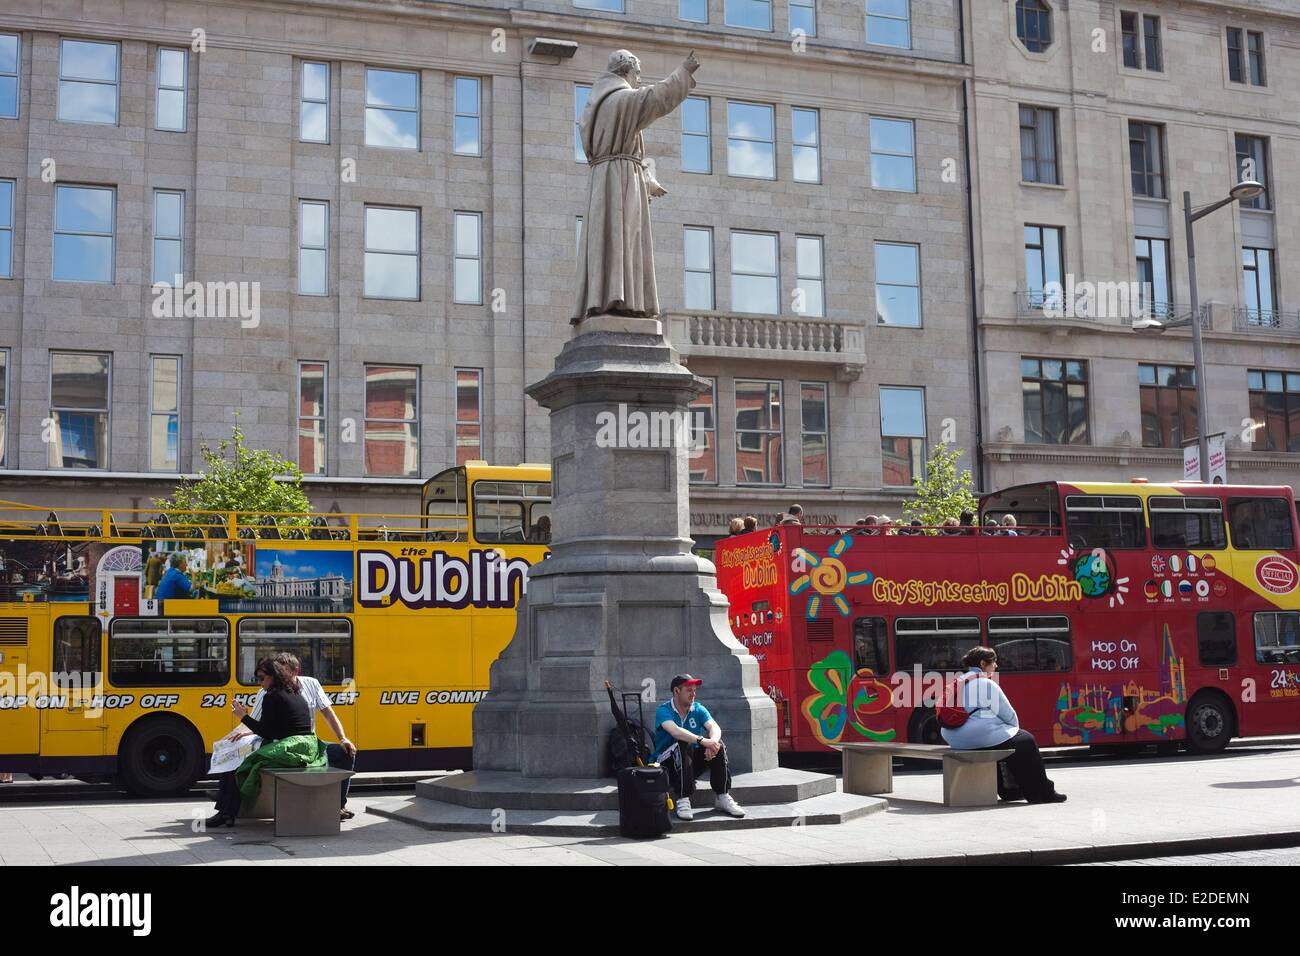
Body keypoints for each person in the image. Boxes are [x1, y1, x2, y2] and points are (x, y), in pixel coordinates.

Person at [231, 652, 359, 819]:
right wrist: (241, 731)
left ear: (295, 671)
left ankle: (338, 806)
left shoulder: (309, 685)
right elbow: (260, 725)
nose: (281, 674)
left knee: (346, 752)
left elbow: (329, 714)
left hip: (304, 745)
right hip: (301, 746)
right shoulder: (266, 693)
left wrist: (343, 739)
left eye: (284, 671)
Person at [206, 657, 325, 828]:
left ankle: (226, 811)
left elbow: (267, 732)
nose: (260, 683)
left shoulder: (272, 696)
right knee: (236, 758)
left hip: (290, 749)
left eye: (262, 678)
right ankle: (226, 807)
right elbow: (277, 728)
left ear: (274, 676)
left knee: (235, 761)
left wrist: (244, 717)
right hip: (307, 746)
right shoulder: (293, 691)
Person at [940, 646, 1065, 804]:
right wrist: (1014, 731)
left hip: (953, 737)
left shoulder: (958, 681)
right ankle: (1041, 793)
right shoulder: (986, 683)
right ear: (983, 663)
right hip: (975, 737)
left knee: (1001, 741)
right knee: (1025, 741)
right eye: (994, 662)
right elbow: (1009, 714)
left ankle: (1008, 790)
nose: (996, 666)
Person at [650, 674, 745, 820]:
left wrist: (711, 743)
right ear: (676, 691)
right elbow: (675, 731)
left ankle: (722, 796)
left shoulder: (698, 709)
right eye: (689, 690)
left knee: (717, 745)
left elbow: (715, 727)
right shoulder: (664, 710)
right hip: (665, 766)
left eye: (695, 690)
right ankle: (682, 798)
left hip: (687, 766)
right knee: (682, 742)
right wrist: (702, 741)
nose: (693, 694)